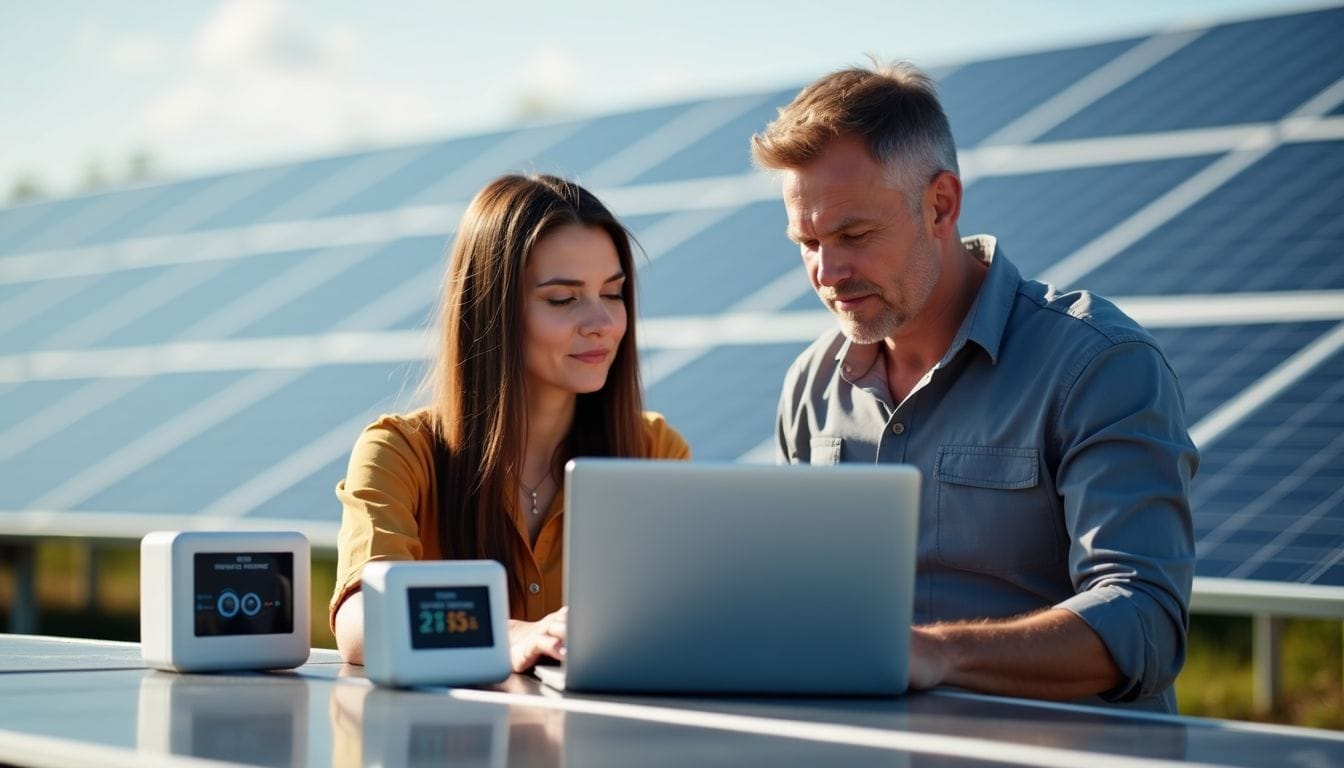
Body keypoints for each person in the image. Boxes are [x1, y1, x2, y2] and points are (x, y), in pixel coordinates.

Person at [752, 62, 1197, 713]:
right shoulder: (810, 387)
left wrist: (938, 653)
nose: (827, 271)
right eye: (807, 241)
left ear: (941, 205)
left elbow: (1144, 622)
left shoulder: (1098, 364)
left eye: (853, 235)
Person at [330, 174, 690, 673]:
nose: (602, 323)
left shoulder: (654, 451)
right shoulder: (399, 453)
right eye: (563, 299)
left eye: (613, 293)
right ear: (492, 312)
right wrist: (509, 633)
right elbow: (361, 620)